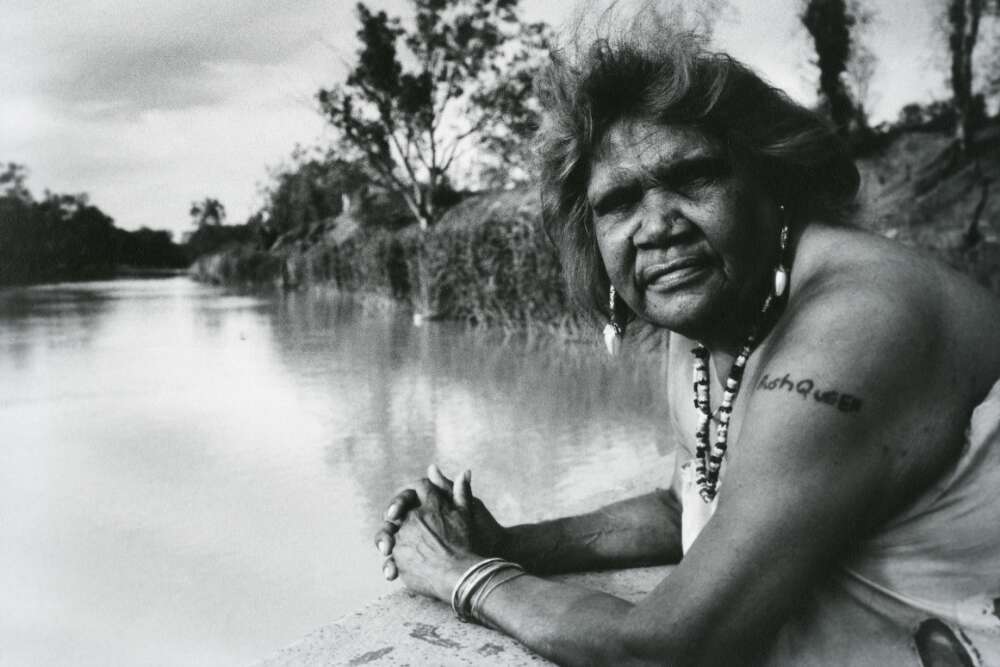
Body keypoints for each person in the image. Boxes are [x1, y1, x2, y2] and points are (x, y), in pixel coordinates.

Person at [372, 31, 1000, 666]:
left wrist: (462, 575)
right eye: (618, 203)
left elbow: (674, 650)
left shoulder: (853, 327)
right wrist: (508, 542)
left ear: (774, 181)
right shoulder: (717, 316)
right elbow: (689, 504)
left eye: (694, 176)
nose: (657, 227)